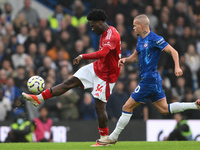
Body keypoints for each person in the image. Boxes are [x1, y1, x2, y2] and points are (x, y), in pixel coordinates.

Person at [22, 9, 121, 146]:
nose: (92, 29)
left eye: (93, 26)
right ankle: (39, 98)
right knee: (70, 82)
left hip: (107, 75)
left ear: (100, 22)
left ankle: (104, 138)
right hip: (98, 67)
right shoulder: (104, 32)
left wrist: (82, 56)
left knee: (99, 106)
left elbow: (103, 53)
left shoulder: (112, 35)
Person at [97, 14, 200, 145]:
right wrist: (126, 60)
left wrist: (177, 67)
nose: (133, 28)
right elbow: (135, 57)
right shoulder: (140, 39)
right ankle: (194, 105)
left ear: (142, 26)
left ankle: (113, 137)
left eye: (135, 25)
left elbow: (174, 52)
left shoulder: (155, 39)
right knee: (164, 109)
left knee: (127, 106)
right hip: (154, 80)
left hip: (149, 80)